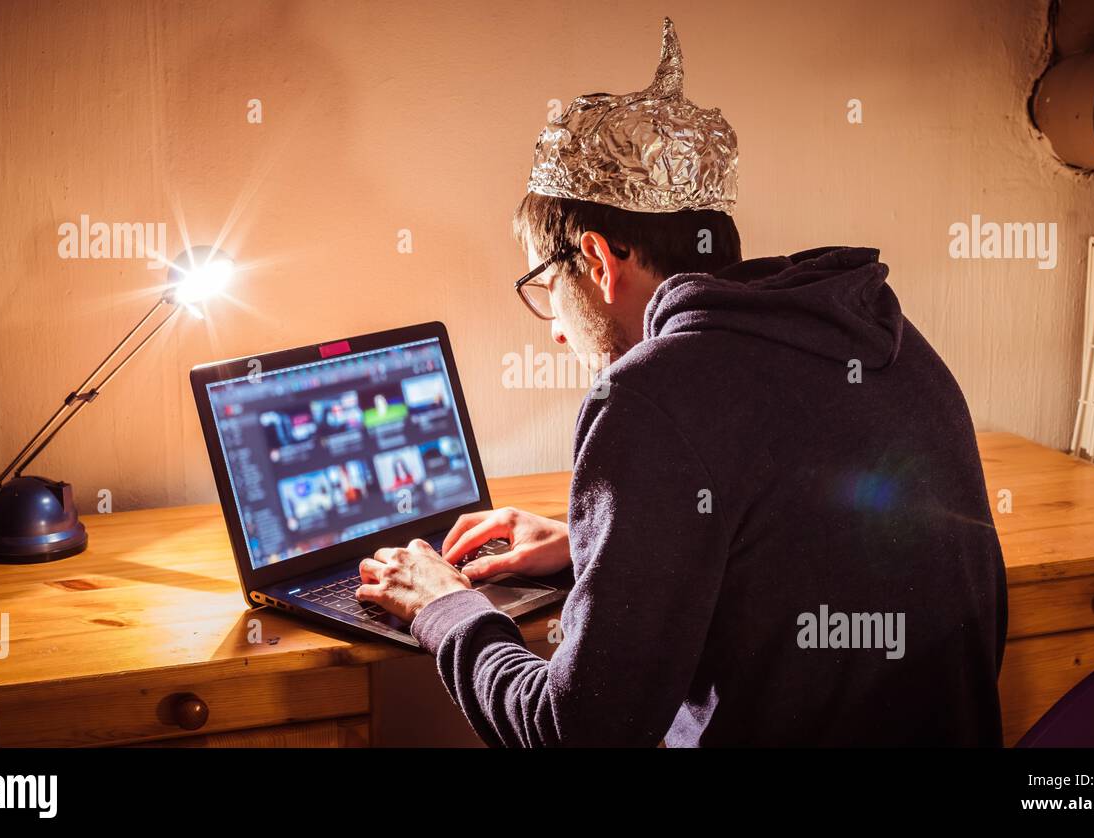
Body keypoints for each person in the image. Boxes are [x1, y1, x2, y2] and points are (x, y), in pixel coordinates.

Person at [356, 18, 1007, 747]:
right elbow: (801, 544)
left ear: (599, 260)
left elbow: (577, 733)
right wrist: (602, 545)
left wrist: (446, 608)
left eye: (547, 288)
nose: (558, 330)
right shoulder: (872, 329)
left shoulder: (650, 395)